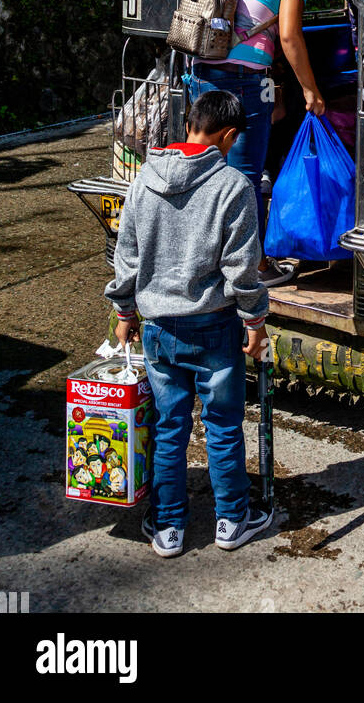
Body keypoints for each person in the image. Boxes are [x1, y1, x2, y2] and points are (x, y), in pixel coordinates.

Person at [107, 90, 272, 559]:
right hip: (214, 327)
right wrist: (256, 322)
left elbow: (128, 257)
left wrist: (124, 312)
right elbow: (243, 269)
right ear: (230, 136)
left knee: (169, 428)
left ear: (188, 126)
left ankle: (169, 528)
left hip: (159, 328)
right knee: (222, 426)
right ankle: (232, 521)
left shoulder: (142, 182)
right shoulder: (234, 187)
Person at [188, 0, 326, 287]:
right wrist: (310, 91)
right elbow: (288, 35)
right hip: (244, 81)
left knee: (207, 170)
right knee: (245, 177)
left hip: (203, 73)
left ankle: (209, 258)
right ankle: (255, 267)